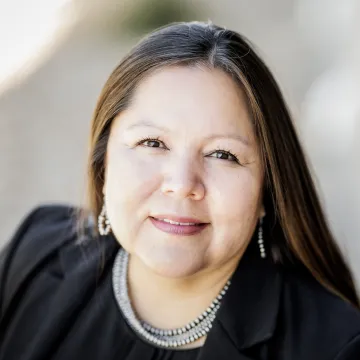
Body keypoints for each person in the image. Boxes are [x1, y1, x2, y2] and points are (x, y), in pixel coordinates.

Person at [1, 21, 360, 360]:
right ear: (103, 162)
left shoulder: (335, 346)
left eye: (223, 154)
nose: (182, 184)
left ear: (268, 188)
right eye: (153, 142)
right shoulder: (34, 252)